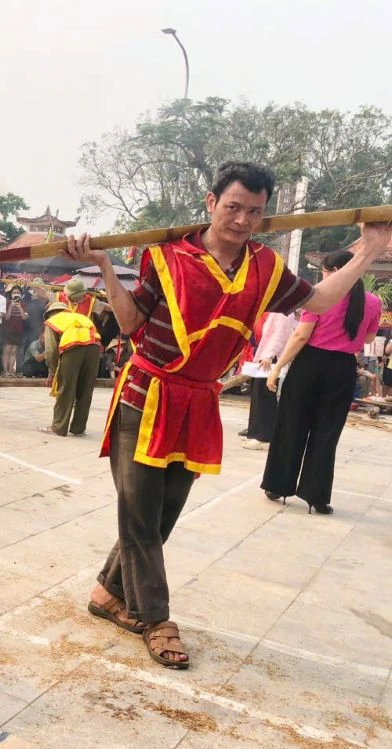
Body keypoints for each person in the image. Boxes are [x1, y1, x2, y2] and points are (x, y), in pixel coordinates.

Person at [63, 161, 392, 670]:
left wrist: (370, 248)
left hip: (199, 400)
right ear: (211, 201)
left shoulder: (265, 267)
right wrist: (106, 267)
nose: (241, 220)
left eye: (255, 212)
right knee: (140, 513)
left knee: (163, 512)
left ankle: (108, 593)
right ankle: (156, 617)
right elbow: (131, 324)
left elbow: (321, 300)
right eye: (233, 207)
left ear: (265, 216)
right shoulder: (165, 256)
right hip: (145, 394)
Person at [261, 250, 382, 514]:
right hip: (343, 368)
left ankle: (279, 486)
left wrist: (277, 367)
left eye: (326, 272)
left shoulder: (322, 296)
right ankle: (317, 496)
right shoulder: (373, 302)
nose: (324, 276)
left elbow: (301, 336)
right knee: (326, 433)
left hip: (309, 365)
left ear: (337, 271)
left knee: (292, 424)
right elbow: (370, 338)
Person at [41, 299, 102, 436]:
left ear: (52, 312)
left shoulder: (52, 321)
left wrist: (53, 372)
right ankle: (79, 428)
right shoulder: (81, 317)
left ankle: (58, 427)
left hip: (72, 348)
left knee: (66, 389)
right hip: (94, 348)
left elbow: (51, 351)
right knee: (85, 390)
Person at [241, 312, 298, 449]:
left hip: (272, 358)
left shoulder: (285, 313)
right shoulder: (277, 311)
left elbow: (280, 336)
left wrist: (270, 355)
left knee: (265, 395)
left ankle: (263, 436)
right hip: (266, 355)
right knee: (258, 395)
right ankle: (256, 433)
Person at [1, 288, 29, 376]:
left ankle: (10, 371)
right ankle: (5, 371)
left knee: (14, 351)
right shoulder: (7, 303)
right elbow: (6, 317)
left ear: (21, 294)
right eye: (14, 293)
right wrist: (10, 307)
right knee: (7, 350)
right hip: (8, 330)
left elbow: (24, 317)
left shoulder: (23, 304)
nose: (16, 294)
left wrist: (19, 307)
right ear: (11, 294)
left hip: (18, 330)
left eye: (18, 293)